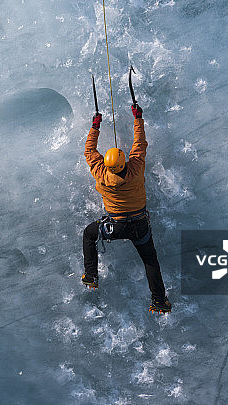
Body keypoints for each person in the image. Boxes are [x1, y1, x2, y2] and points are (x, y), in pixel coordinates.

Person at [82, 102, 171, 314]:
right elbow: (140, 143)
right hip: (139, 225)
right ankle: (158, 300)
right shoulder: (136, 167)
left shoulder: (101, 173)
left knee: (89, 234)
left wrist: (96, 126)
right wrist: (137, 118)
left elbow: (89, 150)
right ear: (124, 161)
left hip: (115, 226)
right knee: (150, 260)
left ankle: (91, 275)